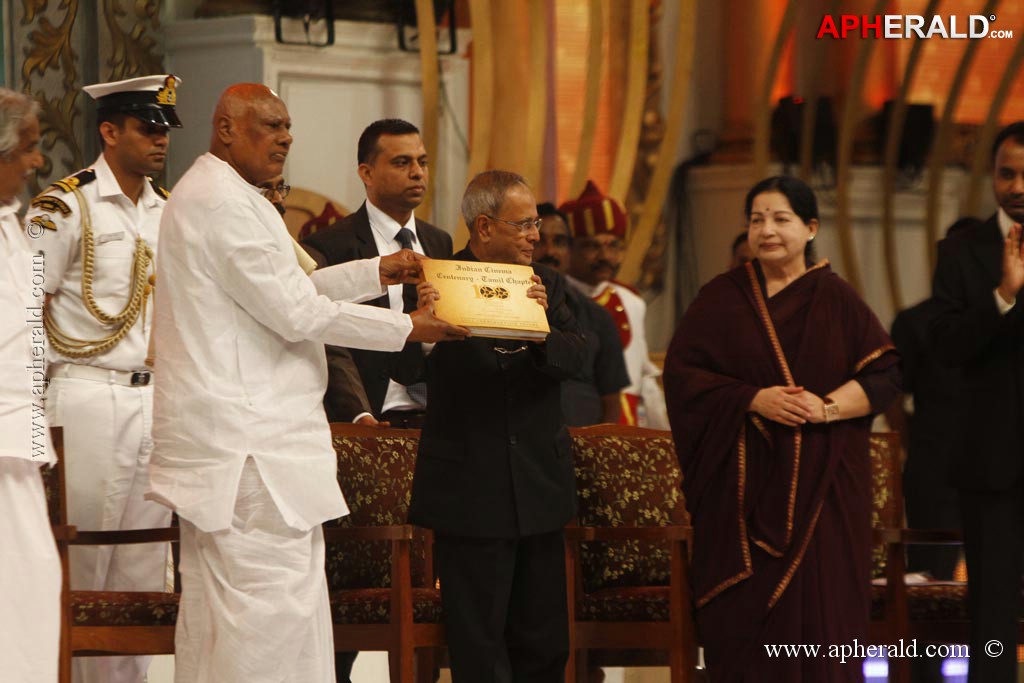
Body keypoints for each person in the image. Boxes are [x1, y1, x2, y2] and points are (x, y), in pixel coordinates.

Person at [147, 83, 467, 682]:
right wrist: (407, 326)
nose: (286, 137)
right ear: (225, 129)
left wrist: (377, 270)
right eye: (269, 125)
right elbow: (295, 314)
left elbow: (292, 294)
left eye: (288, 125)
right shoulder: (221, 203)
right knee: (265, 622)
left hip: (243, 448)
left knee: (236, 621)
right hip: (251, 452)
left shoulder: (228, 195)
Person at [664, 175, 900, 682]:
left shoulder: (836, 300)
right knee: (747, 633)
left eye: (781, 218)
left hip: (826, 491)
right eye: (756, 219)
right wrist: (753, 398)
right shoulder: (722, 300)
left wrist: (827, 408)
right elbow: (684, 380)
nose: (767, 230)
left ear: (810, 227)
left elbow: (884, 376)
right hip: (742, 502)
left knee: (823, 618)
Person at [24, 74, 182, 683]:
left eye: (166, 129)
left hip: (153, 399)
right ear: (109, 131)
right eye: (148, 127)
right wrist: (29, 408)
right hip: (85, 393)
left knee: (144, 572)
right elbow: (23, 311)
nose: (160, 140)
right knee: (80, 560)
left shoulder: (168, 211)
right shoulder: (61, 208)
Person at [408, 170, 584, 682]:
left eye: (537, 224)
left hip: (538, 485)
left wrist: (540, 328)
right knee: (478, 644)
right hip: (470, 488)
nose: (537, 235)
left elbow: (574, 358)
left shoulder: (546, 285)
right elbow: (400, 369)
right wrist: (421, 332)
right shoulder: (438, 279)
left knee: (545, 642)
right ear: (484, 227)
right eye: (525, 224)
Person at [930, 121, 1024, 683]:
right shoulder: (963, 250)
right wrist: (1002, 297)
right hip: (991, 460)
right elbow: (945, 346)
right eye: (1006, 173)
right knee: (991, 611)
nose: (1016, 186)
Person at [302, 119, 453, 431]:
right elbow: (328, 338)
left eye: (422, 162)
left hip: (435, 417)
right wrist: (357, 414)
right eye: (402, 162)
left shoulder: (439, 241)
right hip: (369, 413)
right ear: (366, 173)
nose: (417, 173)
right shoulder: (330, 244)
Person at [0, 87, 61, 683]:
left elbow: (31, 329)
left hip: (18, 436)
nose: (37, 161)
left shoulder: (16, 226)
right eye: (28, 147)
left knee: (33, 588)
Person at [560, 181, 668, 428]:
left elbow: (644, 378)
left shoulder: (632, 302)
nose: (605, 257)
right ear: (569, 248)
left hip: (628, 428)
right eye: (592, 246)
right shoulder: (554, 298)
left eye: (613, 246)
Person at [535, 201, 628, 425]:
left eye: (559, 242)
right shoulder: (501, 308)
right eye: (539, 241)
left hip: (585, 445)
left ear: (570, 250)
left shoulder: (597, 316)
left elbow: (611, 398)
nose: (550, 252)